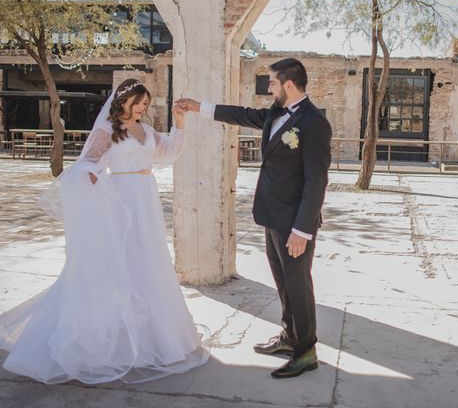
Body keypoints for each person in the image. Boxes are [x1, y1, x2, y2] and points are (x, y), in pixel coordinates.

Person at [0, 79, 208, 384]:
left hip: (145, 198)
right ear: (122, 101)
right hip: (121, 199)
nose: (140, 109)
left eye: (145, 104)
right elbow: (86, 165)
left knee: (147, 259)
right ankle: (112, 334)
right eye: (136, 103)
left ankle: (151, 335)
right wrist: (94, 180)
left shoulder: (146, 131)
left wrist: (180, 123)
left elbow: (170, 152)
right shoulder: (107, 131)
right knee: (121, 261)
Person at [176, 58, 332, 378]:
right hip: (272, 216)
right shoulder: (275, 113)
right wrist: (198, 107)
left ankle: (306, 352)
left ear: (288, 84)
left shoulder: (315, 123)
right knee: (283, 284)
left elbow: (317, 180)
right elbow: (241, 115)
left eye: (272, 82)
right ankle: (290, 337)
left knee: (298, 286)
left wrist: (302, 230)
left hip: (295, 224)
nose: (269, 87)